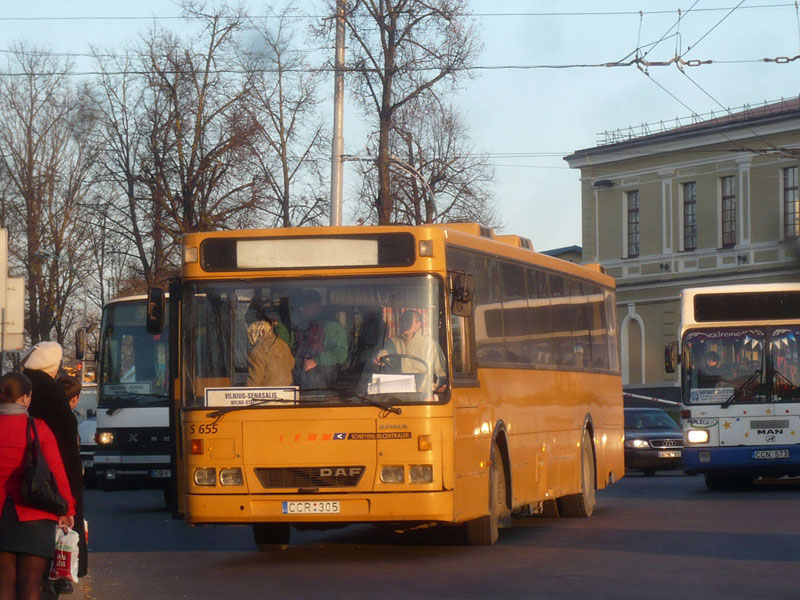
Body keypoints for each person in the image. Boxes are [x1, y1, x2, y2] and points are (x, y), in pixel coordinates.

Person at [0, 372, 75, 600]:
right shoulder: (37, 428)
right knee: (31, 584)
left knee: (3, 582)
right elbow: (57, 473)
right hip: (36, 514)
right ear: (25, 398)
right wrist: (67, 510)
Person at [22, 343, 85, 592]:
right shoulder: (53, 392)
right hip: (51, 473)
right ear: (54, 366)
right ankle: (60, 575)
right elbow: (65, 446)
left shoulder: (23, 384)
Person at [55, 376, 89, 589]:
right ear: (75, 398)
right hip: (66, 481)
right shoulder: (68, 419)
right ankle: (65, 573)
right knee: (68, 528)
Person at [375, 309, 447, 394]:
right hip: (397, 391)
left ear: (418, 325)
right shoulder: (392, 342)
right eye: (403, 320)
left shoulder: (430, 344)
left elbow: (440, 371)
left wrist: (440, 386)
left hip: (422, 392)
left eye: (408, 320)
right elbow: (385, 352)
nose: (405, 323)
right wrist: (380, 356)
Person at [291, 289, 347, 389]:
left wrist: (316, 361)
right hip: (304, 383)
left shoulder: (332, 326)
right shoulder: (307, 323)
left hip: (322, 384)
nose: (301, 311)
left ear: (315, 305)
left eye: (303, 307)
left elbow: (340, 354)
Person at [246, 318, 294, 387]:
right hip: (288, 391)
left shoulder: (257, 352)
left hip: (268, 392)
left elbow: (254, 383)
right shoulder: (284, 345)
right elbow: (292, 364)